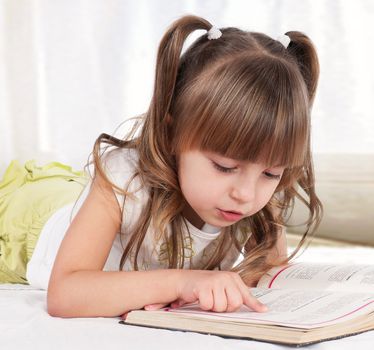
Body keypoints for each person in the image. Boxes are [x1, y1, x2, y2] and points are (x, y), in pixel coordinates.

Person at [5, 14, 324, 317]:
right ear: (171, 134)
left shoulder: (255, 196)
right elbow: (65, 294)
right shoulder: (123, 180)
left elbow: (272, 280)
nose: (246, 194)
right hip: (27, 222)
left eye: (271, 173)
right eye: (225, 167)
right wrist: (182, 282)